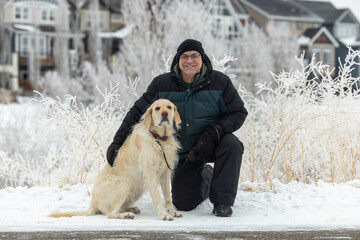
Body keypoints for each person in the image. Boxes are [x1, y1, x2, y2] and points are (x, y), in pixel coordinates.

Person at [107, 39, 248, 217]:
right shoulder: (161, 84)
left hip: (210, 143)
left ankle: (222, 202)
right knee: (183, 203)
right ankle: (207, 176)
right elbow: (137, 112)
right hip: (181, 153)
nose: (190, 60)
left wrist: (214, 132)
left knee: (232, 144)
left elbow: (238, 112)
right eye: (185, 56)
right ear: (177, 60)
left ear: (202, 59)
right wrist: (117, 141)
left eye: (195, 56)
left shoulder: (220, 82)